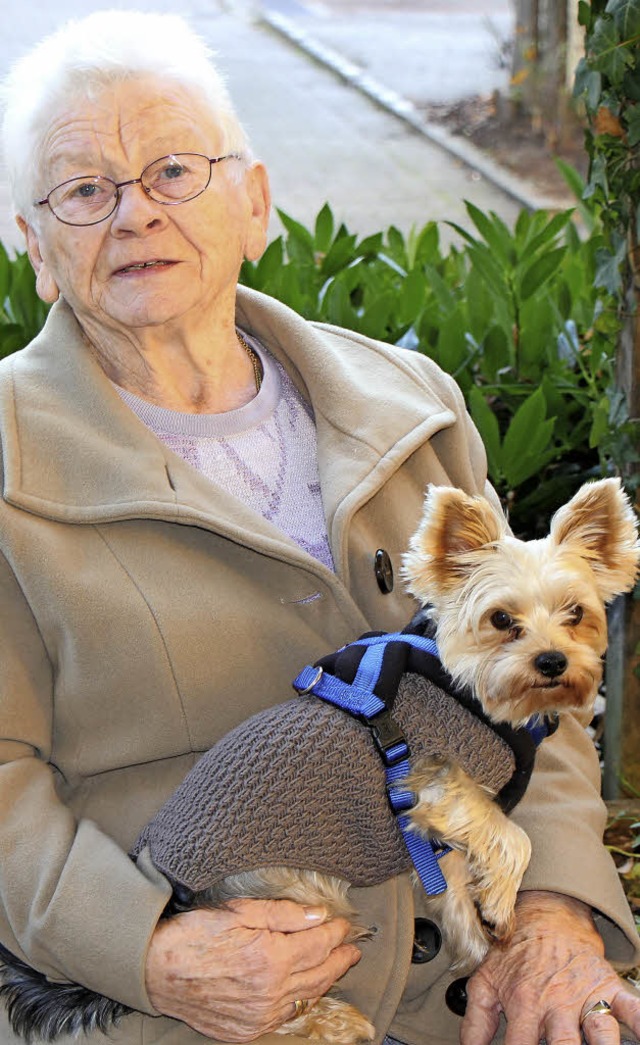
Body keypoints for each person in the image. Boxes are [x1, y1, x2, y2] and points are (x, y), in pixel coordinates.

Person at [0, 9, 638, 1045]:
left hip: (462, 984)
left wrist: (556, 911)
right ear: (33, 247)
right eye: (84, 191)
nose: (135, 215)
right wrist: (150, 950)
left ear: (253, 204)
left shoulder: (409, 401)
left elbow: (534, 680)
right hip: (184, 1005)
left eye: (173, 170)